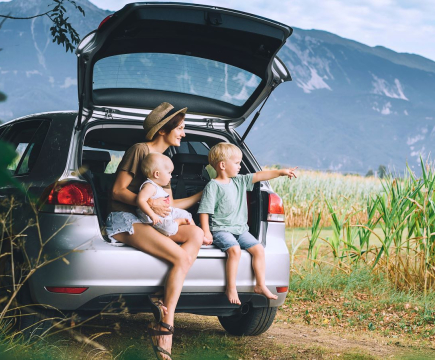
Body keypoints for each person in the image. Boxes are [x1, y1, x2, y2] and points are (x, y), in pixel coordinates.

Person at [106, 102, 211, 359]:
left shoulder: (167, 161)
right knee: (181, 257)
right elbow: (117, 190)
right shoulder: (140, 150)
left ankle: (163, 303)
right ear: (164, 129)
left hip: (153, 220)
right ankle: (166, 324)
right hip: (127, 218)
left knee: (195, 234)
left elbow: (169, 204)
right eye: (181, 128)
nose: (184, 134)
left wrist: (202, 195)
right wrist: (147, 203)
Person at [198, 143, 297, 305]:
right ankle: (231, 287)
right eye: (237, 163)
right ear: (223, 165)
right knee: (234, 250)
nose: (239, 166)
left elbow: (260, 176)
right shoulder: (213, 186)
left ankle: (260, 285)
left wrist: (281, 172)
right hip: (221, 229)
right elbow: (204, 211)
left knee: (258, 249)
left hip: (240, 230)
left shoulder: (240, 181)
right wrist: (207, 232)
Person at [136, 152, 193, 236]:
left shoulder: (158, 186)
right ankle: (178, 222)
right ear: (157, 174)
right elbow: (140, 200)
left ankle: (199, 234)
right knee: (169, 229)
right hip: (155, 217)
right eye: (169, 173)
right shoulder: (150, 186)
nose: (171, 176)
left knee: (186, 214)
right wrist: (152, 215)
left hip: (166, 213)